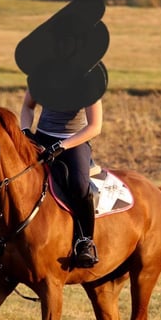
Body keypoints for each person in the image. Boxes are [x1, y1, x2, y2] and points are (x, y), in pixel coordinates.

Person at [21, 88, 102, 268]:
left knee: (80, 186)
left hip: (74, 143)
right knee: (9, 174)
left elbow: (95, 126)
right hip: (41, 139)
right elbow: (28, 106)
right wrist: (26, 131)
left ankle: (84, 242)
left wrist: (62, 146)